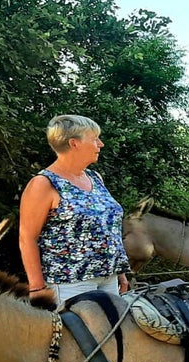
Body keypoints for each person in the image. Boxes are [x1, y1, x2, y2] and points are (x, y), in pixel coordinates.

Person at [19, 115, 131, 309]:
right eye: (94, 139)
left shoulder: (95, 178)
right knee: (79, 331)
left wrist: (120, 271)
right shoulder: (43, 184)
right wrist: (37, 288)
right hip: (70, 283)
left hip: (109, 279)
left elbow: (106, 227)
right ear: (74, 143)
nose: (101, 144)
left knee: (115, 328)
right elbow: (27, 238)